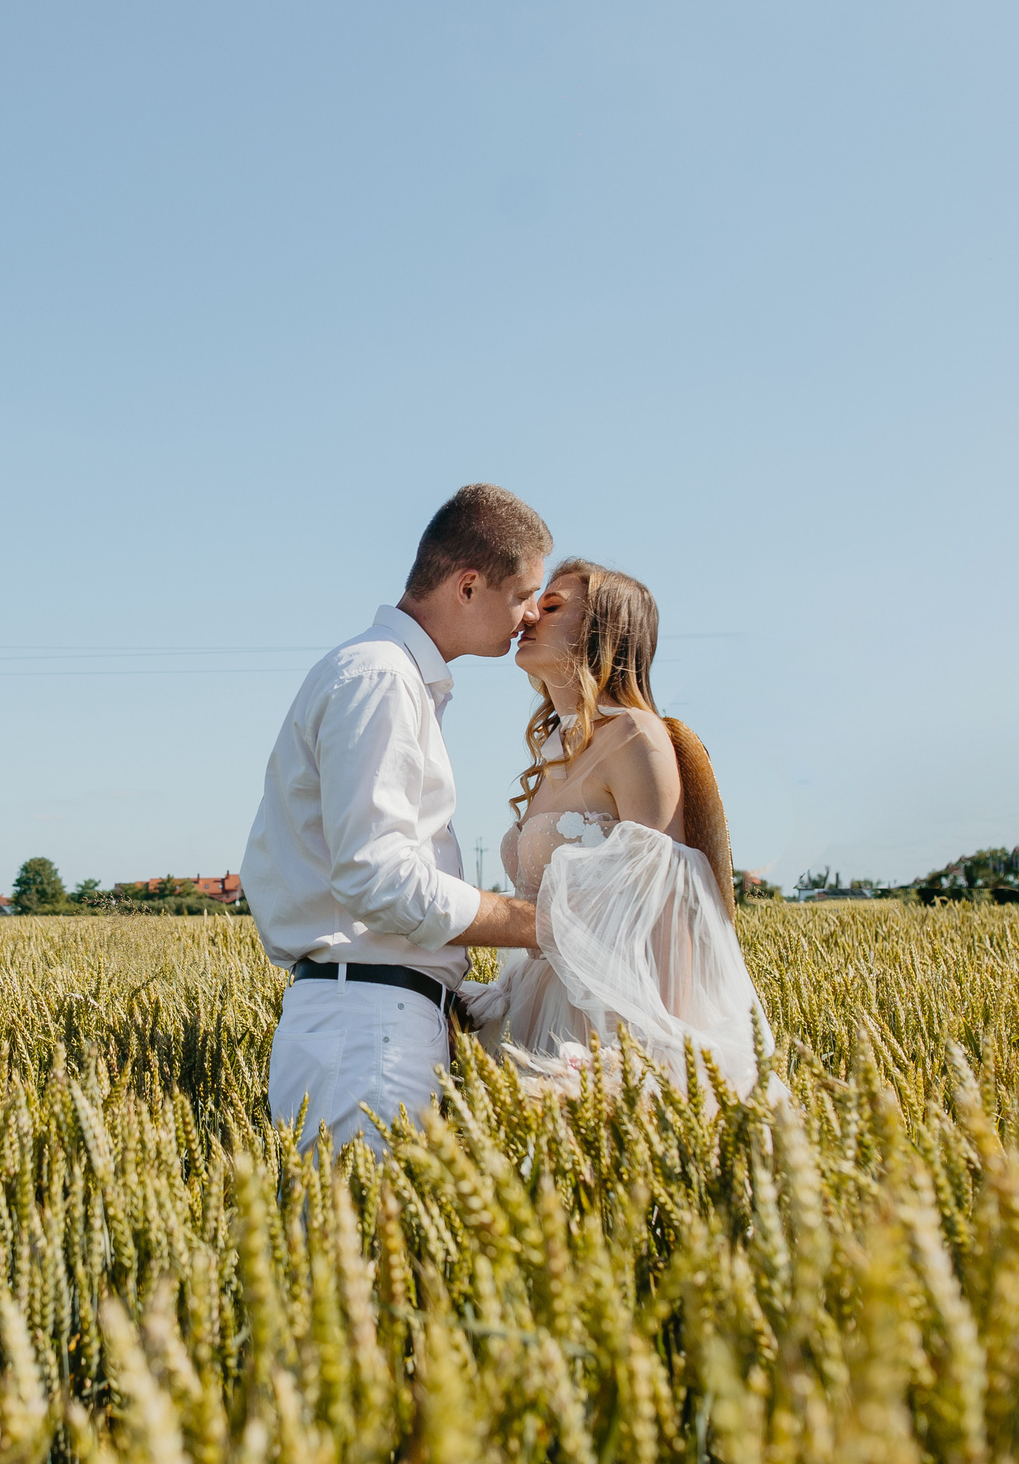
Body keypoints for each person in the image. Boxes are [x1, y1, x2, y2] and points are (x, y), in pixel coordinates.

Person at [243, 484, 550, 1148]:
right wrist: (543, 925)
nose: (531, 615)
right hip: (365, 1030)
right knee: (361, 1243)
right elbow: (378, 877)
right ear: (469, 586)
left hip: (376, 1017)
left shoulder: (391, 676)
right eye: (525, 594)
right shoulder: (381, 678)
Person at [455, 558, 774, 1103]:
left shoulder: (635, 737)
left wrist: (658, 1053)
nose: (529, 615)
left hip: (609, 1023)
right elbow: (545, 908)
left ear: (601, 631)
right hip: (542, 1007)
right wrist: (501, 993)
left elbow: (674, 911)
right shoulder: (555, 751)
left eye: (552, 607)